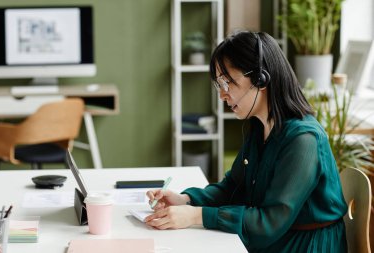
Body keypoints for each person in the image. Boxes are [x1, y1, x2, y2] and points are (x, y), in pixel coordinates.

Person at [145, 31, 348, 252]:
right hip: (280, 238)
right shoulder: (260, 127)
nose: (222, 95)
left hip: (304, 245)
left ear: (261, 79)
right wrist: (185, 200)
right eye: (219, 84)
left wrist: (197, 215)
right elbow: (233, 188)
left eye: (227, 82)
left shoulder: (303, 140)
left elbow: (270, 223)